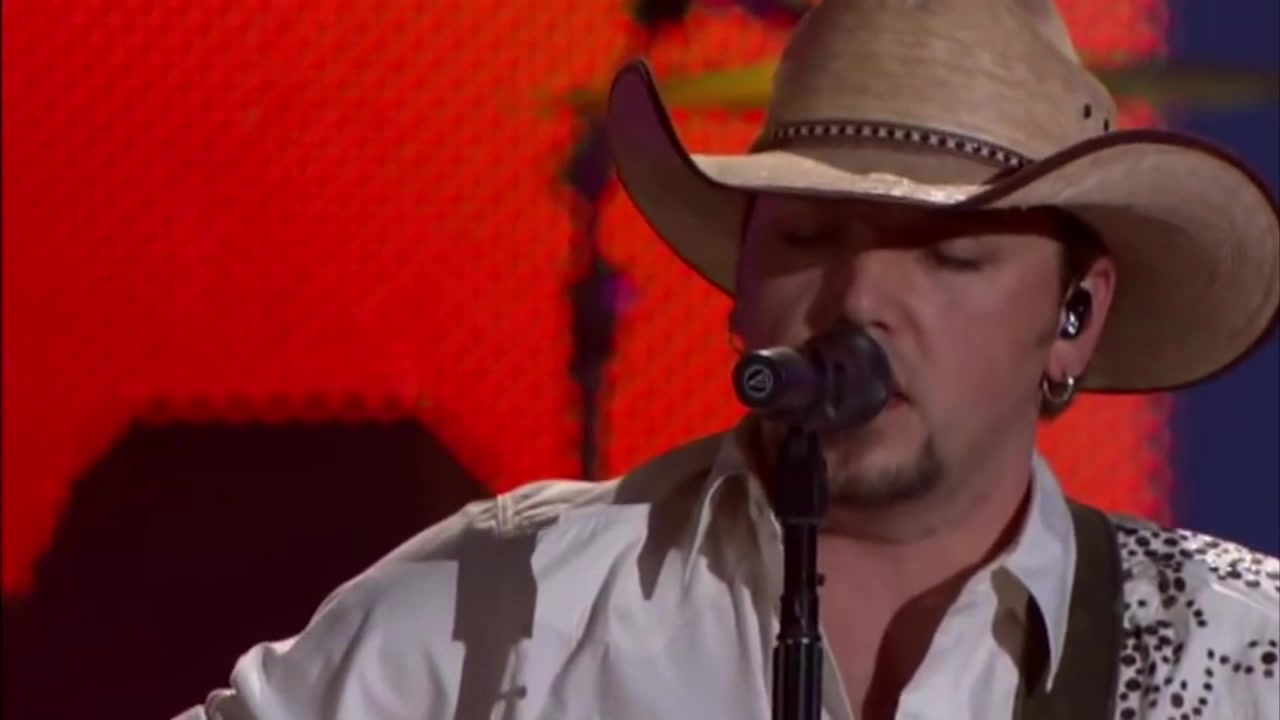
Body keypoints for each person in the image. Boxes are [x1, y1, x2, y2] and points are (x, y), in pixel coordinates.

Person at [176, 0, 1280, 717]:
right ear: (743, 278)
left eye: (948, 255)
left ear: (1075, 315)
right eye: (808, 237)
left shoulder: (1236, 653)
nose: (859, 299)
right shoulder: (506, 603)